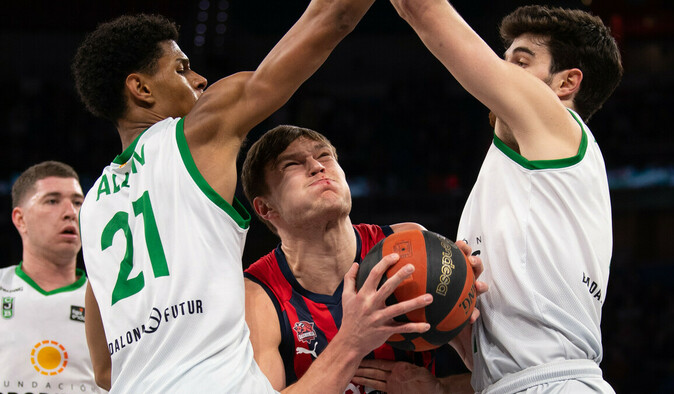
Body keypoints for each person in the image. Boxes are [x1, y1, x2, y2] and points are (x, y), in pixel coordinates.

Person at [72, 5, 433, 393]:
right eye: (180, 68)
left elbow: (105, 371)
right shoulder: (196, 134)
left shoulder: (92, 208)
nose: (199, 78)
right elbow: (332, 18)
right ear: (141, 89)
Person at [388, 2, 623, 393]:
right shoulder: (518, 179)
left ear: (566, 84)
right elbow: (517, 366)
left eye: (521, 61)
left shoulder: (558, 125)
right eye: (503, 59)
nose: (500, 70)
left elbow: (422, 8)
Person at [241, 125, 485, 393]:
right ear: (265, 208)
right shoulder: (257, 294)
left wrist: (442, 388)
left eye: (324, 156)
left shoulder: (410, 245)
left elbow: (500, 375)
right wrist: (353, 340)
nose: (317, 166)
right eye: (291, 164)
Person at [1, 161, 105, 393]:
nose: (71, 213)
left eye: (78, 202)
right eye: (52, 201)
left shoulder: (109, 299)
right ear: (20, 219)